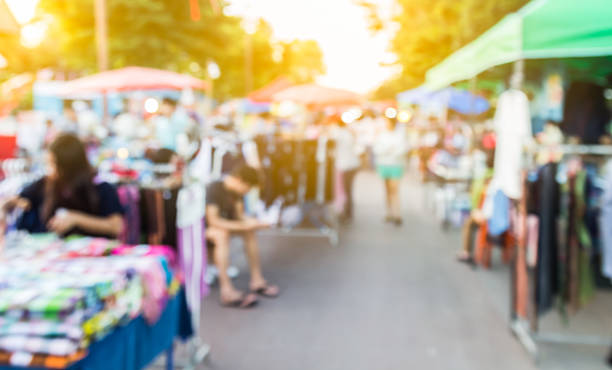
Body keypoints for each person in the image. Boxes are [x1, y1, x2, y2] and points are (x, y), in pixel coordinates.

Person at [1, 134, 123, 239]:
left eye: (54, 164)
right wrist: (10, 205)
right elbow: (16, 200)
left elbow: (116, 227)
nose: (50, 169)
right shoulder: (45, 183)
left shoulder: (100, 187)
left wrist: (76, 219)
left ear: (69, 165)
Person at [205, 164, 279, 309]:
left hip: (222, 226)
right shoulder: (214, 188)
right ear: (239, 180)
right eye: (248, 187)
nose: (248, 191)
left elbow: (240, 217)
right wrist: (246, 225)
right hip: (204, 229)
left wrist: (256, 223)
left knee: (249, 231)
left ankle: (257, 280)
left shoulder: (236, 193)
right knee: (222, 235)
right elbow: (213, 221)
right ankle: (226, 291)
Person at [373, 116, 407, 226]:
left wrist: (389, 150)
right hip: (384, 164)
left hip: (395, 165)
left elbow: (402, 149)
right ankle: (389, 212)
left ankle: (397, 213)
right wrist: (389, 149)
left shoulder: (400, 135)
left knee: (394, 189)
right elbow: (377, 149)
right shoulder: (382, 135)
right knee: (387, 189)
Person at [331, 117, 361, 222]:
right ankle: (348, 212)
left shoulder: (339, 134)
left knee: (343, 190)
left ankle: (345, 211)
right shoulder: (349, 133)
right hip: (351, 165)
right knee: (348, 190)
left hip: (344, 165)